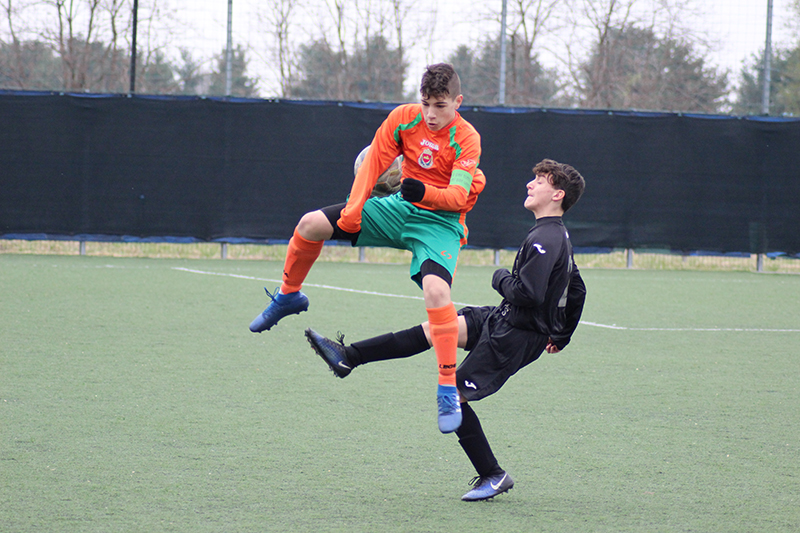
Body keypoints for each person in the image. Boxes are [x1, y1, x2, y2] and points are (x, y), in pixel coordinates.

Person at [305, 159, 587, 501]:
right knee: (436, 328)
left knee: (452, 395)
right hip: (506, 319)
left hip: (516, 334)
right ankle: (349, 356)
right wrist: (561, 335)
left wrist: (499, 277)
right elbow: (577, 288)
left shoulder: (547, 237)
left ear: (557, 195)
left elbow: (529, 293)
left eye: (540, 181)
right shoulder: (553, 234)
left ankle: (493, 474)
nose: (530, 184)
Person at [249, 63, 486, 434]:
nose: (430, 114)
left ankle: (446, 389)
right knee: (310, 224)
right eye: (425, 103)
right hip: (398, 209)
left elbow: (457, 196)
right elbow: (374, 162)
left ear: (458, 102)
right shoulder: (403, 119)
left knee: (437, 292)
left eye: (440, 105)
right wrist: (354, 209)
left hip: (440, 223)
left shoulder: (467, 138)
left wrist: (425, 192)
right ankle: (289, 295)